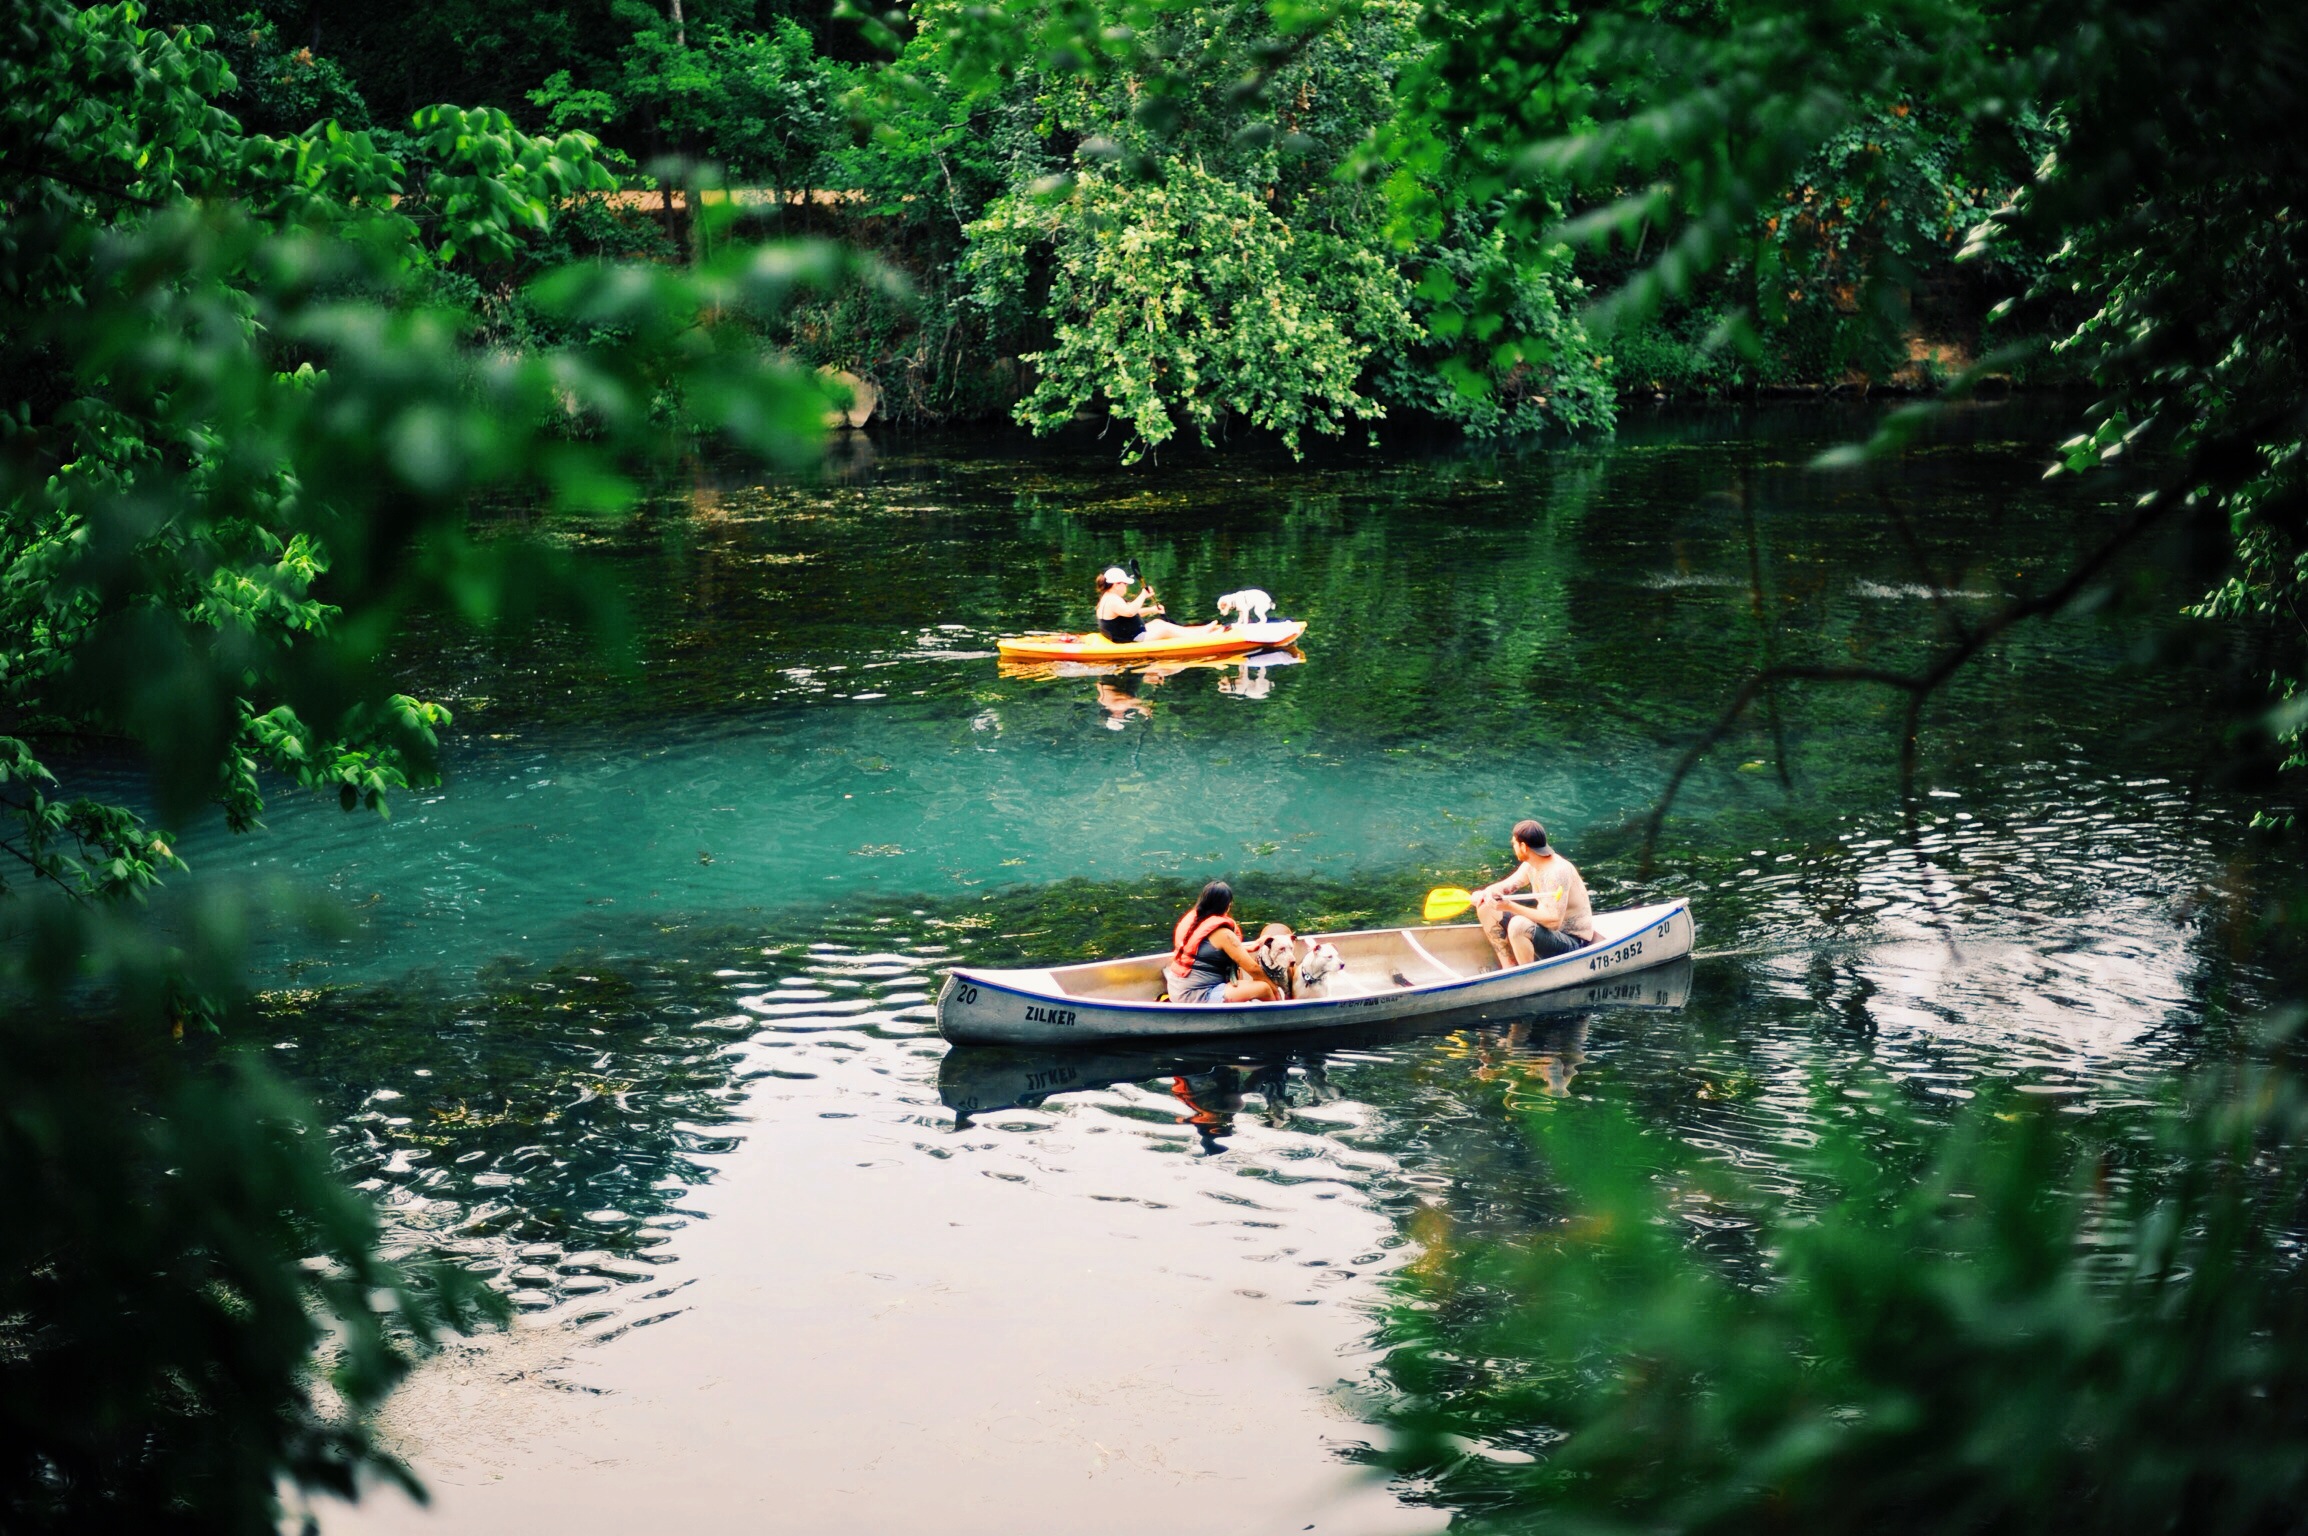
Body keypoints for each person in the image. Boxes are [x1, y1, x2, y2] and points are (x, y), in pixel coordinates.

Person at [1470, 819, 1597, 968]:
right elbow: (1506, 887)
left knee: (1518, 925)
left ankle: (1526, 976)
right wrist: (1485, 894)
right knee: (1486, 907)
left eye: (1514, 844)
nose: (1513, 847)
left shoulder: (1558, 872)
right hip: (1547, 933)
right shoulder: (1531, 865)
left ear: (1523, 847)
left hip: (1573, 942)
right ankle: (1509, 968)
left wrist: (1510, 906)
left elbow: (1554, 921)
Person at [1165, 880, 1281, 1004]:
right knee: (1263, 988)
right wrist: (1275, 990)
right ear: (1227, 905)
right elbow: (1253, 969)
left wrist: (1252, 947)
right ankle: (1277, 1016)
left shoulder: (1194, 920)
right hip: (1197, 995)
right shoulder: (1223, 934)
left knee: (1246, 980)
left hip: (1176, 989)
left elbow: (1212, 950)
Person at [1095, 567, 1225, 645]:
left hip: (1129, 634)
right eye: (1125, 584)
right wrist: (1143, 595)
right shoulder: (1112, 600)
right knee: (1165, 629)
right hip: (1128, 639)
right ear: (1117, 584)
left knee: (1158, 622)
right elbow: (1129, 612)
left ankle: (1200, 631)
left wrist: (1152, 610)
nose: (1126, 587)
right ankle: (1205, 637)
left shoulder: (1109, 598)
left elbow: (1131, 613)